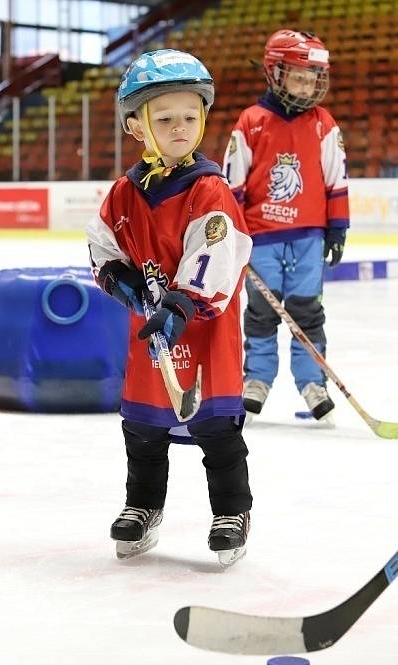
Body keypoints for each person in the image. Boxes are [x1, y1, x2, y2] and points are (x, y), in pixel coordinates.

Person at [86, 49, 253, 566]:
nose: (179, 128)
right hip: (150, 331)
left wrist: (180, 307)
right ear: (136, 126)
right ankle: (141, 507)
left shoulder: (209, 190)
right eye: (164, 119)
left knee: (216, 429)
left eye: (189, 116)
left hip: (203, 331)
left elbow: (215, 256)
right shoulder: (124, 192)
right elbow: (102, 246)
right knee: (143, 428)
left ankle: (231, 511)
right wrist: (123, 284)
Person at [222, 29, 349, 423]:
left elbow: (336, 178)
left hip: (309, 237)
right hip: (262, 238)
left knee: (307, 312)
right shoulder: (251, 122)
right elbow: (233, 185)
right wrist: (236, 235)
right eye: (299, 75)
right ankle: (256, 380)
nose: (308, 85)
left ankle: (313, 384)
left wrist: (338, 227)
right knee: (261, 313)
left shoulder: (323, 124)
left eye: (313, 77)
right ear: (275, 73)